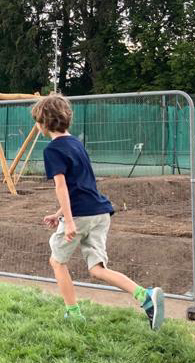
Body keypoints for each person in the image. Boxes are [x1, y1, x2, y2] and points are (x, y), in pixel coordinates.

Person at [32, 93, 165, 330]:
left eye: (37, 120)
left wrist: (69, 221)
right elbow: (81, 185)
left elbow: (62, 186)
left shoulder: (52, 150)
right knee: (97, 269)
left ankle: (73, 314)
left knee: (57, 261)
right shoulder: (76, 144)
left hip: (81, 217)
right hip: (100, 212)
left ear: (44, 121)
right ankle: (145, 296)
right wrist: (59, 213)